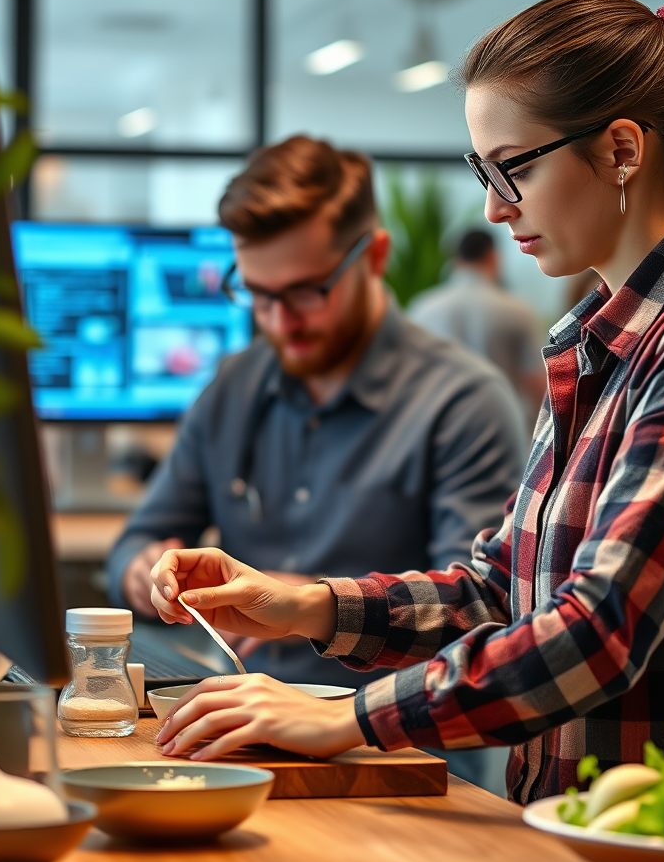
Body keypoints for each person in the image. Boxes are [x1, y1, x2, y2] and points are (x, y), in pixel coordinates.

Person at [146, 0, 664, 806]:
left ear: (621, 150)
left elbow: (600, 630)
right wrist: (301, 605)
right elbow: (499, 593)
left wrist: (347, 718)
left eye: (514, 169)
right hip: (580, 824)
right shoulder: (598, 337)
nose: (496, 209)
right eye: (483, 172)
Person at [106, 135, 531, 701]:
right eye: (258, 294)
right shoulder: (234, 385)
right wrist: (147, 573)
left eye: (306, 293)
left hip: (391, 730)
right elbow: (133, 542)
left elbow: (477, 612)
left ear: (374, 256)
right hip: (239, 709)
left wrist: (306, 604)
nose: (280, 322)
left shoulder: (463, 402)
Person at [409, 228, 546, 424]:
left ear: (456, 261)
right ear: (492, 257)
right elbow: (536, 384)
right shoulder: (516, 310)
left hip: (439, 426)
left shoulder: (422, 309)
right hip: (501, 425)